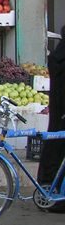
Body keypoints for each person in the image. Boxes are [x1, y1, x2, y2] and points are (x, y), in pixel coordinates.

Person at [39, 28, 65, 213]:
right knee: (58, 151)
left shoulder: (58, 56)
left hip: (58, 111)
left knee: (55, 148)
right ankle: (55, 196)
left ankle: (47, 190)